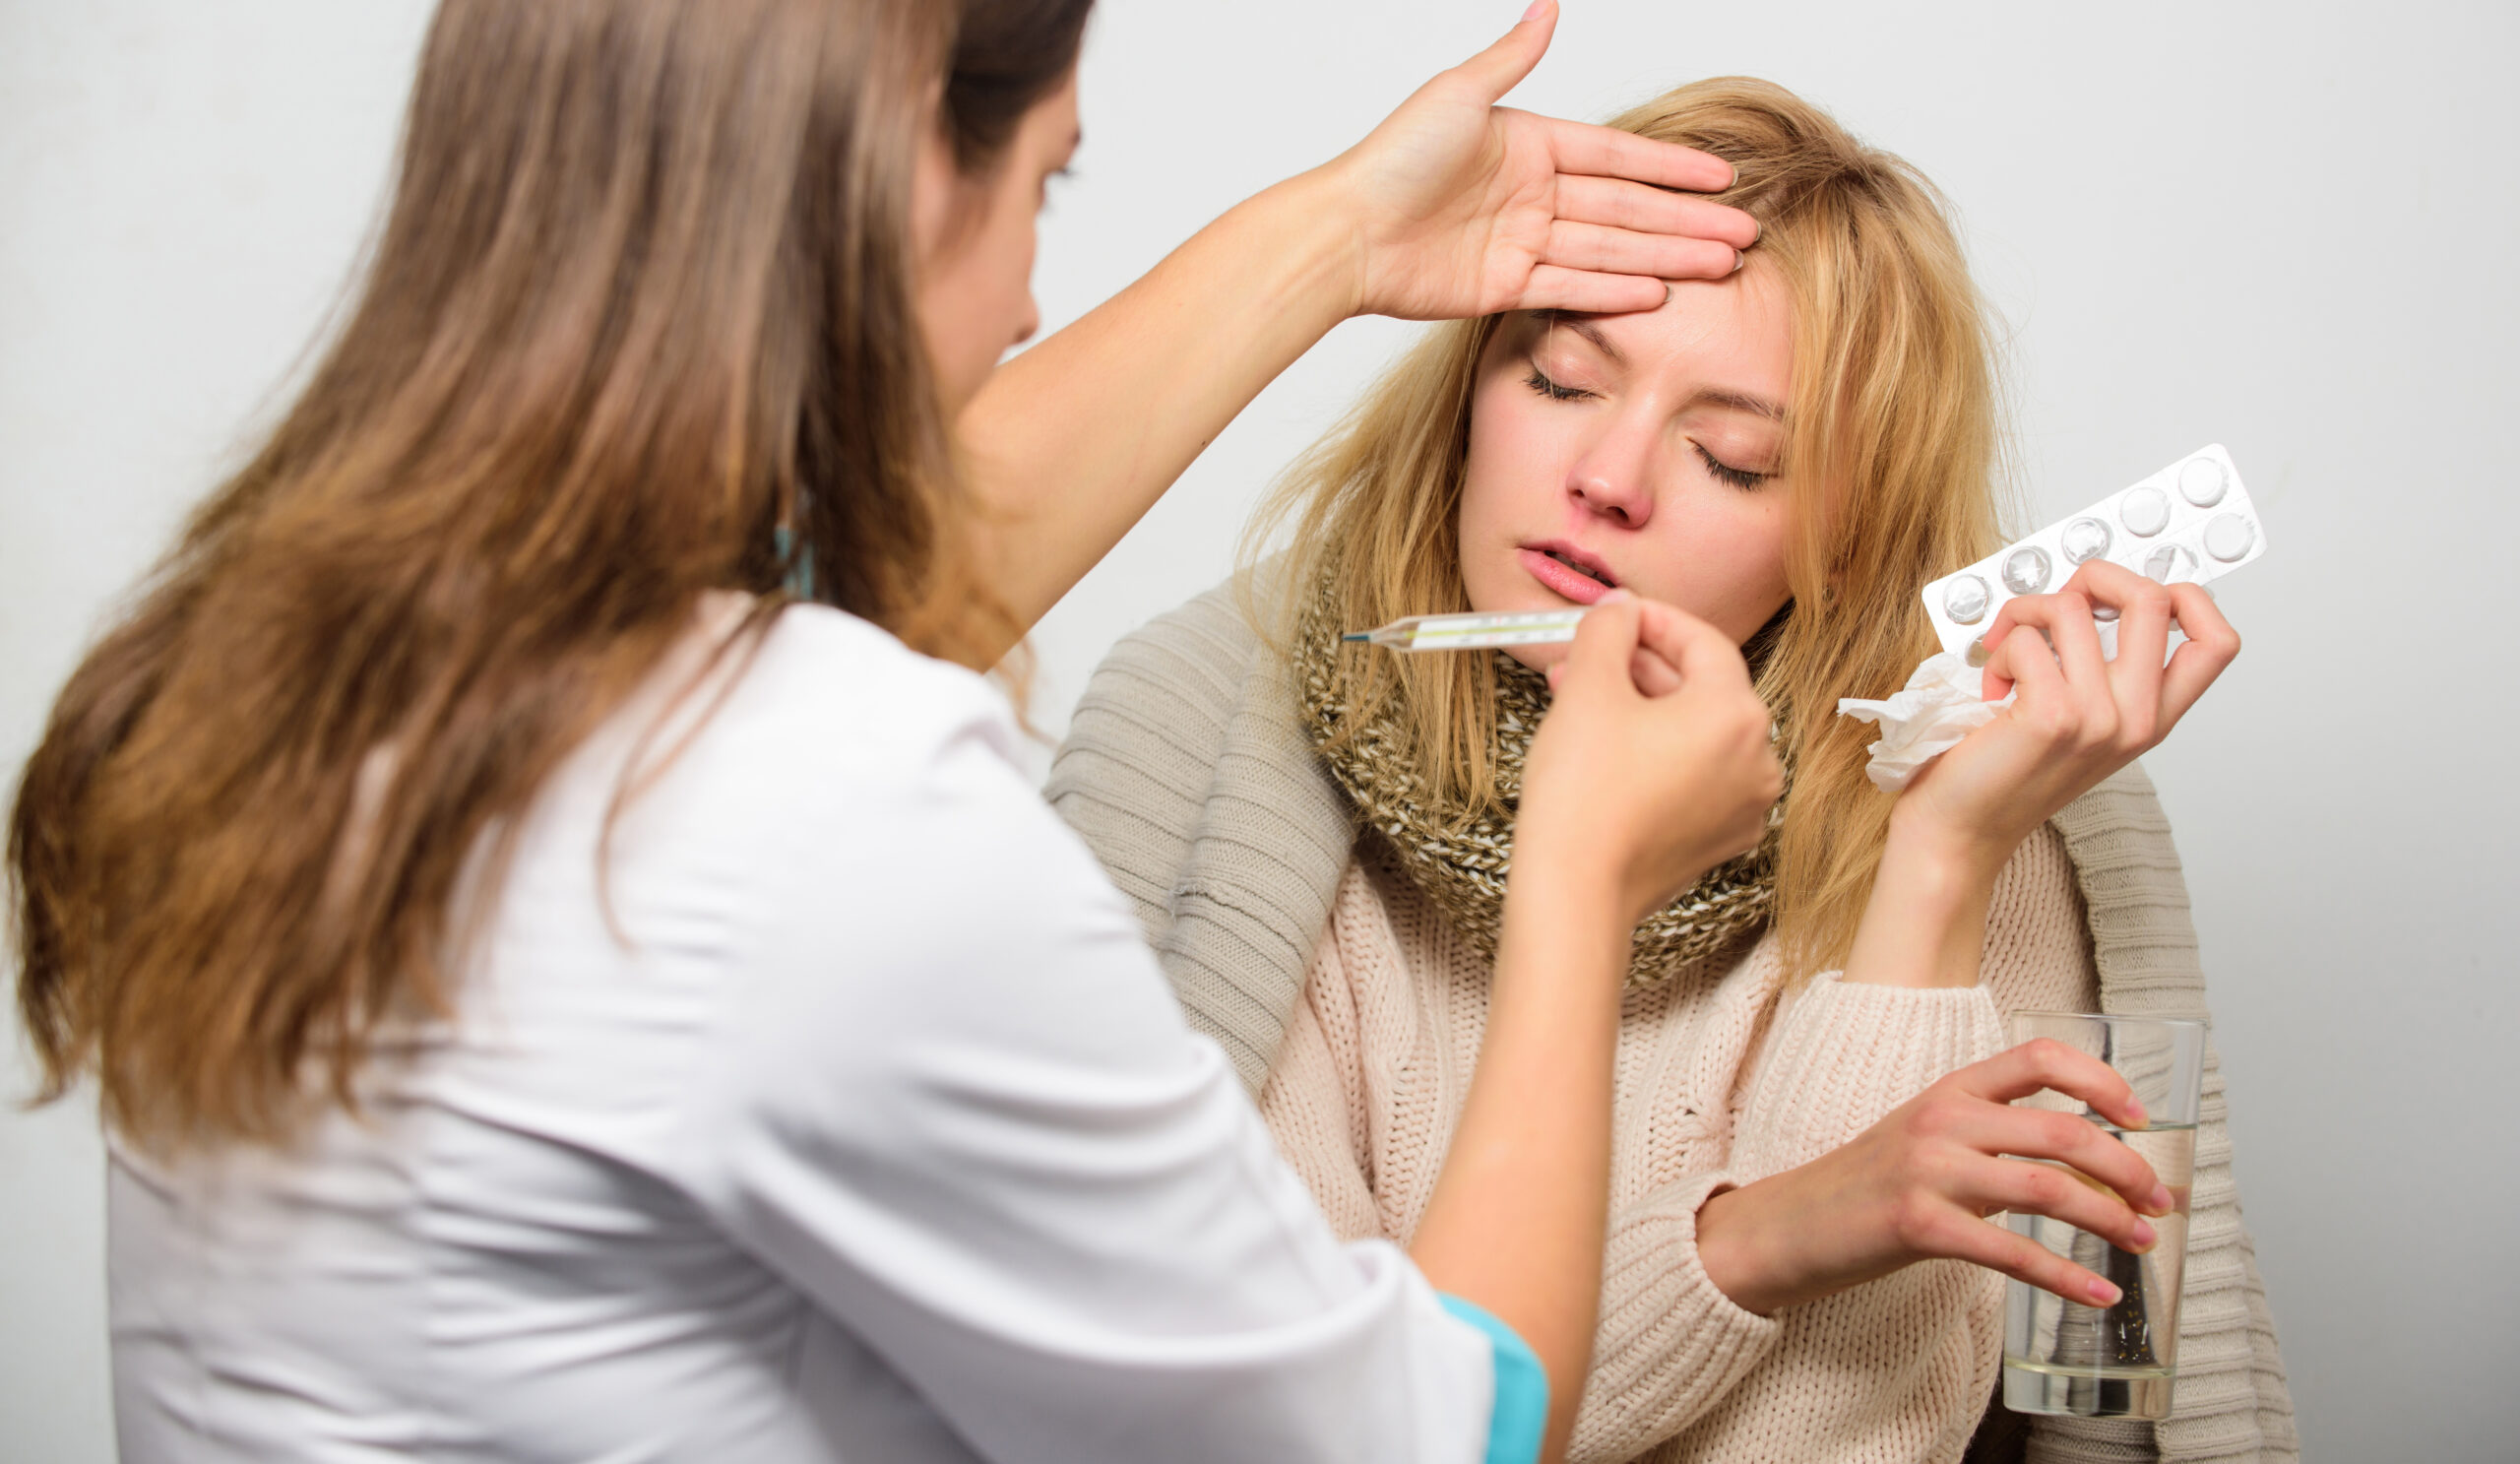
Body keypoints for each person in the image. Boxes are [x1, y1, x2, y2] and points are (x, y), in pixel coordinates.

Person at [0, 4, 1917, 1461]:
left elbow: (849, 590)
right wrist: (1581, 876)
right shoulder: (828, 800)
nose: (1026, 305)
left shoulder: (270, 666)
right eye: (1046, 183)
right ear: (909, 169)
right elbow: (1435, 1426)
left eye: (1732, 453)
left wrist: (1344, 235)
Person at [1047, 78, 2297, 1464]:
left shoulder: (2003, 790)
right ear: (1472, 385)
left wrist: (1939, 864)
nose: (1610, 475)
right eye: (1561, 380)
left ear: (1847, 539)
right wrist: (1756, 1244)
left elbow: (1892, 1435)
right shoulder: (1204, 742)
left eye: (1733, 458)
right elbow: (1325, 1431)